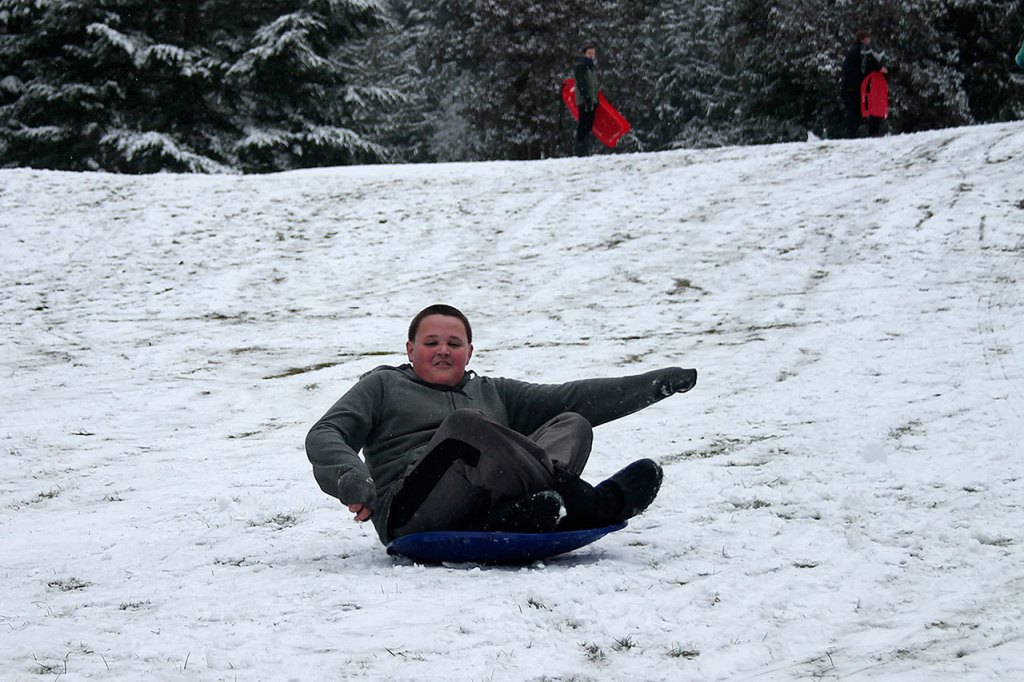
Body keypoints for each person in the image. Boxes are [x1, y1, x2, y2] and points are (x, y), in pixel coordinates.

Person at [305, 304, 698, 546]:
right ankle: (592, 504)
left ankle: (516, 515)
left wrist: (655, 384)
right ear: (410, 349)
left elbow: (574, 398)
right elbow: (327, 433)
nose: (443, 350)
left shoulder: (494, 391)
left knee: (572, 423)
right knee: (466, 427)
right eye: (431, 342)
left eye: (454, 343)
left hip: (490, 501)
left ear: (469, 352)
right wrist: (353, 481)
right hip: (408, 511)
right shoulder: (383, 385)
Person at [841, 30, 888, 138]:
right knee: (862, 110)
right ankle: (869, 133)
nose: (869, 40)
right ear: (863, 39)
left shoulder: (851, 50)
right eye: (868, 37)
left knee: (852, 112)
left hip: (848, 85)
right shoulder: (863, 50)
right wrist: (881, 68)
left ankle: (851, 134)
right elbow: (871, 63)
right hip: (858, 85)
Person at [573, 44, 599, 156]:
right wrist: (586, 98)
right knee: (583, 124)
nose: (591, 56)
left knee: (589, 124)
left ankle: (585, 149)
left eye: (593, 53)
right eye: (589, 53)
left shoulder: (591, 68)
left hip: (591, 100)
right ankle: (580, 150)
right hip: (584, 101)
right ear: (584, 54)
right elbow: (581, 83)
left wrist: (595, 99)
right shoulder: (581, 67)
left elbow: (593, 85)